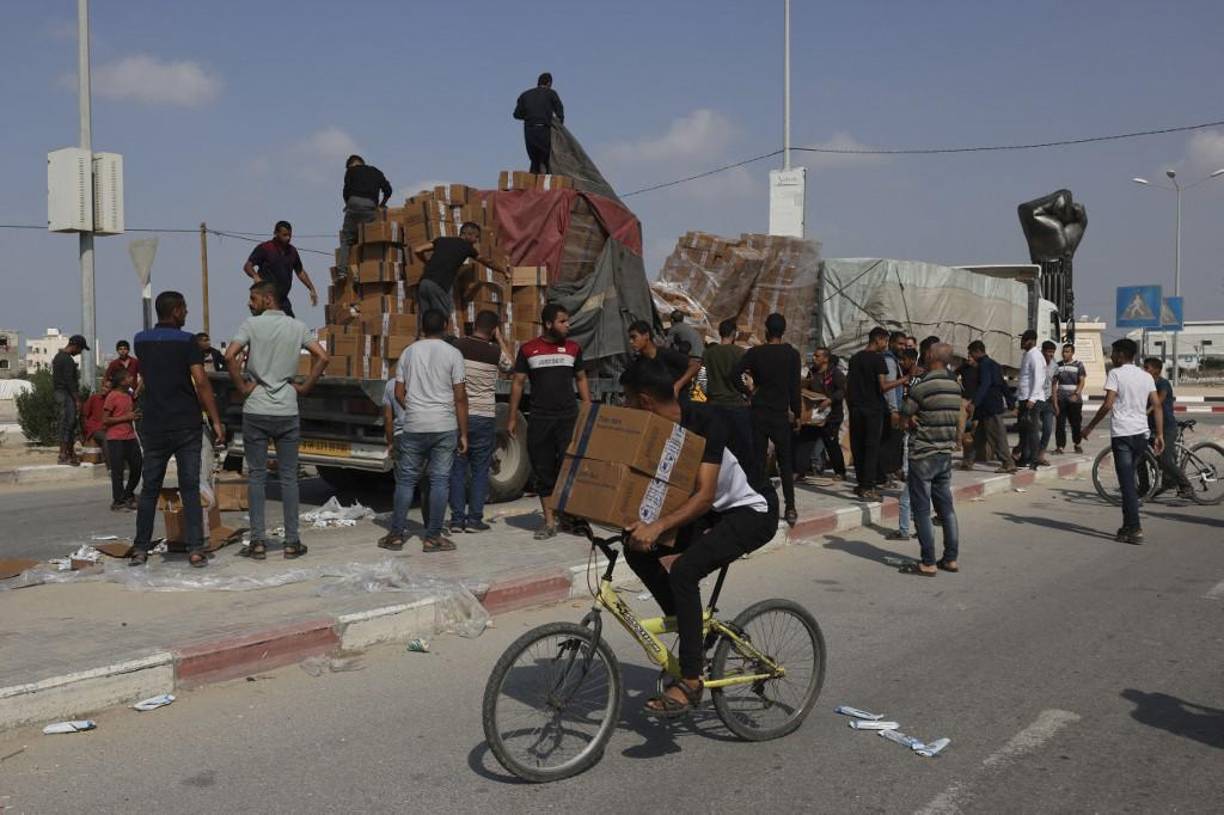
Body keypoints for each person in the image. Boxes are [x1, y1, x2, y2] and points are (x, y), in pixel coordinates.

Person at [620, 358, 776, 716]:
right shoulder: (655, 432)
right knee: (637, 552)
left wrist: (658, 527)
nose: (625, 408)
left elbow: (704, 494)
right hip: (708, 515)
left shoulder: (705, 422)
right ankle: (693, 633)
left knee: (685, 571)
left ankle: (691, 681)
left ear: (644, 401)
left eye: (627, 400)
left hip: (750, 512)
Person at [225, 281, 330, 561]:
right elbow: (322, 356)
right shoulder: (297, 326)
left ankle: (258, 541)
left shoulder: (251, 325)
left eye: (253, 298)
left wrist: (242, 387)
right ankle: (292, 542)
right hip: (286, 408)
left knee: (257, 477)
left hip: (256, 407)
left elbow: (229, 355)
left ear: (268, 299)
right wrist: (306, 386)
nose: (250, 303)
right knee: (288, 478)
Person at [131, 291, 225, 568]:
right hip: (186, 423)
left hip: (154, 424)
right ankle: (195, 549)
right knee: (189, 486)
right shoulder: (188, 341)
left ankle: (139, 549)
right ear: (175, 311)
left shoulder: (140, 340)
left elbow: (148, 376)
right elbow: (201, 381)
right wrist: (215, 419)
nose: (187, 314)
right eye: (184, 309)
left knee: (149, 488)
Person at [379, 309, 468, 553]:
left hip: (414, 426)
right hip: (444, 426)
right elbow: (460, 397)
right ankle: (432, 537)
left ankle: (396, 535)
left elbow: (398, 393)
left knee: (406, 481)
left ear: (422, 327)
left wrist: (416, 408)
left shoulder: (408, 352)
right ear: (447, 325)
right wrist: (463, 433)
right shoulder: (454, 354)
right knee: (440, 481)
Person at [507, 303, 590, 540]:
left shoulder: (573, 349)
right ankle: (550, 522)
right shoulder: (528, 350)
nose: (568, 325)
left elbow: (582, 379)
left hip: (568, 418)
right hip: (541, 419)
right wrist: (512, 417)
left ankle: (569, 517)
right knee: (543, 470)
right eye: (563, 321)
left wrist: (588, 410)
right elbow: (518, 384)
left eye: (568, 321)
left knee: (568, 468)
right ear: (548, 324)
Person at [1083, 339, 1164, 545]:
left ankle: (1135, 528)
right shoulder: (1146, 376)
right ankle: (1127, 526)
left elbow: (1108, 404)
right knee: (1129, 481)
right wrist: (1160, 435)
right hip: (1141, 435)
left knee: (1127, 484)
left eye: (1113, 353)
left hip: (1122, 435)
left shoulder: (1115, 374)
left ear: (1120, 354)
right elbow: (1157, 405)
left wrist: (1090, 426)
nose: (1111, 356)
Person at [898, 343, 963, 576]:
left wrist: (911, 418)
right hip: (945, 454)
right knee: (946, 509)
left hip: (923, 454)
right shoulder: (955, 385)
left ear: (930, 356)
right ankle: (951, 558)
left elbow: (903, 416)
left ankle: (928, 561)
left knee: (923, 510)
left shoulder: (923, 386)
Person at [733, 313, 802, 526]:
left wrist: (748, 392)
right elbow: (794, 387)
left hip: (759, 411)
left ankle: (758, 504)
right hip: (780, 414)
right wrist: (797, 413)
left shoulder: (755, 353)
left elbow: (733, 374)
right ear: (783, 331)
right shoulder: (791, 354)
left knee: (759, 460)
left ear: (766, 330)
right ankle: (790, 507)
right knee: (785, 462)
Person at [448, 310, 514, 534]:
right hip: (484, 416)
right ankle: (475, 520)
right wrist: (501, 339)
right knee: (479, 469)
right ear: (493, 328)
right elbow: (511, 366)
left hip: (460, 415)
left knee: (457, 468)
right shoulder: (494, 352)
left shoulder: (458, 346)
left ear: (474, 324)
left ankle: (457, 520)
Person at [847, 327, 906, 501]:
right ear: (878, 339)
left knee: (857, 446)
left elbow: (848, 385)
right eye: (885, 341)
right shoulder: (878, 360)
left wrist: (851, 405)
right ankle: (868, 486)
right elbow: (883, 386)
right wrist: (905, 379)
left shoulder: (855, 358)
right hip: (873, 410)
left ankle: (860, 484)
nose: (885, 345)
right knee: (871, 448)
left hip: (856, 408)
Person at [412, 222, 505, 326]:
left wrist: (426, 261)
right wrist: (504, 271)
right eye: (476, 237)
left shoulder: (441, 240)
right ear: (467, 235)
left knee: (426, 320)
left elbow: (418, 250)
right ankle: (440, 341)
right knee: (440, 320)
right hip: (439, 285)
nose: (477, 240)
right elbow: (488, 262)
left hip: (424, 283)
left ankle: (423, 340)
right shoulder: (467, 247)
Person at [701, 319, 754, 479]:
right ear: (734, 334)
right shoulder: (739, 352)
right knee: (743, 450)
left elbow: (702, 380)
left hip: (714, 406)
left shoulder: (708, 353)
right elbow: (746, 377)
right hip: (736, 406)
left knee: (717, 451)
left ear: (719, 332)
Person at [1142, 357, 1195, 501]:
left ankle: (1186, 486)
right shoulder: (1145, 384)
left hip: (1167, 427)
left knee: (1165, 459)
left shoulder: (1163, 383)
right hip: (1150, 426)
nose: (1144, 370)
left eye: (1147, 368)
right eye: (1143, 367)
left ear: (1157, 371)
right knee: (1140, 453)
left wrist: (1143, 413)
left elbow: (1158, 401)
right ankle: (1143, 487)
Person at [243, 221, 319, 318]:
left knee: (291, 325)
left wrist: (311, 288)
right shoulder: (266, 248)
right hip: (266, 299)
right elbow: (247, 266)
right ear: (276, 233)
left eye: (289, 235)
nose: (287, 238)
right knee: (266, 326)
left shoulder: (292, 251)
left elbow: (300, 271)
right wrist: (256, 276)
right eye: (284, 235)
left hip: (282, 299)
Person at [795, 347, 846, 482]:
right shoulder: (812, 373)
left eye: (817, 356)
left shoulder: (835, 374)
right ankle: (799, 471)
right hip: (815, 415)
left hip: (831, 416)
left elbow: (843, 390)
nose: (814, 358)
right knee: (805, 441)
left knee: (831, 443)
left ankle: (840, 471)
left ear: (825, 358)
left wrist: (830, 400)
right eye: (814, 356)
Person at [337, 154, 392, 280]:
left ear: (352, 164)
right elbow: (388, 190)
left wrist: (348, 205)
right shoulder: (376, 172)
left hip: (353, 203)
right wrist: (382, 204)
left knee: (346, 239)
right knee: (366, 238)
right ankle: (363, 272)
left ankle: (342, 272)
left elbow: (345, 192)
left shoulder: (350, 171)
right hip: (370, 206)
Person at [967, 340, 1016, 473]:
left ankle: (1007, 462)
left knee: (997, 435)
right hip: (989, 405)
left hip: (989, 406)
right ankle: (968, 460)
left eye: (971, 353)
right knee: (978, 436)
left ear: (977, 352)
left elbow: (985, 385)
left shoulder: (984, 365)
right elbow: (1002, 384)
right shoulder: (994, 364)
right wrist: (1010, 400)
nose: (970, 356)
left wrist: (974, 403)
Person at [888, 348, 921, 541]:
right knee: (919, 492)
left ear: (910, 360)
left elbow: (910, 405)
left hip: (915, 440)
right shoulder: (918, 377)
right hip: (920, 440)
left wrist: (906, 418)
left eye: (903, 360)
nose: (901, 363)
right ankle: (917, 527)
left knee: (907, 495)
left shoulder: (915, 379)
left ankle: (903, 530)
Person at [102, 368, 141, 512]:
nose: (132, 379)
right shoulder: (112, 396)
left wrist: (135, 416)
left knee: (137, 466)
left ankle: (127, 493)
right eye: (129, 377)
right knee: (118, 471)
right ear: (122, 381)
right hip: (115, 438)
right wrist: (127, 417)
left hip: (130, 436)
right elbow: (105, 420)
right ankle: (118, 501)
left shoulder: (129, 394)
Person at [513, 72, 564, 174]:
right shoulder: (551, 93)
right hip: (544, 130)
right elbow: (560, 113)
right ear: (549, 83)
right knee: (545, 161)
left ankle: (532, 185)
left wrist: (531, 116)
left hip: (529, 131)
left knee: (534, 161)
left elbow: (516, 115)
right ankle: (546, 185)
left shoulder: (525, 95)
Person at [627, 321, 696, 396]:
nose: (631, 342)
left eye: (634, 337)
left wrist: (677, 386)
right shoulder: (639, 362)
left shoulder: (666, 354)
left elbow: (695, 366)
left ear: (646, 336)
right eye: (630, 338)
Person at [52, 334, 88, 466]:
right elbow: (69, 382)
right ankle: (63, 455)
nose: (80, 352)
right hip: (65, 394)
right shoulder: (66, 360)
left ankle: (68, 453)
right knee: (67, 423)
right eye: (80, 349)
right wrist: (77, 399)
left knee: (69, 424)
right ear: (75, 346)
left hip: (62, 393)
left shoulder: (59, 357)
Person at [879, 331, 908, 485]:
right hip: (891, 409)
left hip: (893, 407)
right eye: (900, 344)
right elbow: (889, 388)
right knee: (890, 443)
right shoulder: (889, 361)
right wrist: (894, 410)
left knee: (894, 442)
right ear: (891, 343)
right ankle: (886, 474)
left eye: (904, 344)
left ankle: (889, 472)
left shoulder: (895, 360)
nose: (902, 347)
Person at [1016, 329, 1046, 468]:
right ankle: (1025, 457)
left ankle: (1034, 459)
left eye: (1024, 340)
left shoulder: (1035, 356)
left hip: (1031, 399)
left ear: (1032, 341)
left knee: (1032, 430)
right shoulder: (1027, 355)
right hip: (1024, 398)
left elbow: (1039, 378)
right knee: (1024, 431)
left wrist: (1032, 399)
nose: (1022, 342)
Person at [1053, 343, 1086, 454]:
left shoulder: (1079, 365)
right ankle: (1060, 446)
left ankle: (1077, 444)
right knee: (1060, 424)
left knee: (1075, 423)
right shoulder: (1058, 366)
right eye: (1064, 351)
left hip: (1074, 400)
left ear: (1072, 353)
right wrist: (1055, 400)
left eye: (1067, 351)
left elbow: (1081, 381)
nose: (1065, 354)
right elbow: (1054, 383)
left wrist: (1076, 394)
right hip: (1061, 399)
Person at [666, 310, 705, 400]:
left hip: (692, 358)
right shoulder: (689, 328)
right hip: (701, 358)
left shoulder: (674, 328)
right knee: (697, 391)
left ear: (672, 320)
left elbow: (667, 347)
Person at [80, 377, 110, 467]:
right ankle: (111, 467)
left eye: (108, 387)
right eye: (104, 386)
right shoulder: (94, 398)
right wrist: (86, 429)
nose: (105, 389)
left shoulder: (112, 400)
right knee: (105, 438)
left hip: (107, 428)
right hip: (95, 428)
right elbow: (84, 414)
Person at [957, 351, 980, 470]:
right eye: (968, 357)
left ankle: (972, 453)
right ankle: (958, 443)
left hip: (975, 401)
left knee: (975, 426)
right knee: (960, 422)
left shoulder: (980, 369)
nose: (969, 359)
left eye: (971, 357)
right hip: (965, 398)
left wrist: (975, 401)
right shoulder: (964, 368)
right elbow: (953, 374)